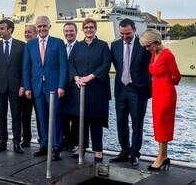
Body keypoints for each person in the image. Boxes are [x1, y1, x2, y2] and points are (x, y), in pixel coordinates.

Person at [66, 18, 112, 163]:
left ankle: (98, 149)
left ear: (95, 29)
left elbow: (106, 65)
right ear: (83, 29)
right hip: (79, 89)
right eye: (86, 27)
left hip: (97, 90)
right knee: (81, 120)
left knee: (96, 120)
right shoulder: (77, 46)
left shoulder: (103, 46)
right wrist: (76, 78)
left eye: (91, 27)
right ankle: (81, 146)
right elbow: (70, 64)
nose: (89, 30)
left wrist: (90, 77)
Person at [23, 16, 67, 161]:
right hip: (37, 88)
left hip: (54, 87)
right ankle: (44, 145)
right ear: (36, 28)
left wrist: (61, 85)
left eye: (44, 26)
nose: (42, 29)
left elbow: (63, 67)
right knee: (41, 117)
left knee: (55, 117)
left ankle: (56, 147)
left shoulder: (58, 43)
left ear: (49, 26)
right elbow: (27, 68)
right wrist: (27, 87)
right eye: (39, 26)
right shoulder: (30, 45)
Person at [110, 18, 151, 166]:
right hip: (121, 89)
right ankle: (124, 151)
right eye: (122, 34)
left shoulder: (143, 46)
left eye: (127, 33)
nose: (125, 37)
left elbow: (149, 67)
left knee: (137, 123)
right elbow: (117, 65)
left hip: (138, 90)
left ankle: (135, 153)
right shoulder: (114, 46)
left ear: (134, 30)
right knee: (121, 122)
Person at [140, 29, 181, 171]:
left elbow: (177, 76)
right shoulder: (155, 54)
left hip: (166, 94)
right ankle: (162, 155)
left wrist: (165, 82)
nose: (147, 49)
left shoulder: (167, 55)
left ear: (156, 42)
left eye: (148, 45)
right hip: (157, 93)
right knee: (158, 123)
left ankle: (162, 156)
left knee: (164, 123)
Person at [0, 20, 25, 154]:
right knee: (1, 116)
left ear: (10, 30)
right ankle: (2, 142)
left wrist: (23, 85)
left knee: (16, 116)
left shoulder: (21, 46)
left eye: (2, 28)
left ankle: (16, 143)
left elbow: (24, 68)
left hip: (16, 87)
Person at [61, 22, 79, 153]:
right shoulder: (61, 47)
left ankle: (74, 142)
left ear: (76, 32)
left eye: (71, 31)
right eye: (66, 31)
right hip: (63, 86)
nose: (69, 33)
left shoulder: (80, 47)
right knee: (63, 116)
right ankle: (65, 140)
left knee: (76, 117)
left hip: (76, 87)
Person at [20, 24, 38, 147]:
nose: (27, 34)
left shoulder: (41, 47)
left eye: (30, 32)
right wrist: (23, 85)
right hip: (25, 87)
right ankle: (26, 138)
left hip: (38, 87)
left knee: (41, 115)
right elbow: (21, 69)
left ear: (36, 33)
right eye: (25, 32)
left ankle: (43, 139)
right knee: (25, 116)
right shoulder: (23, 47)